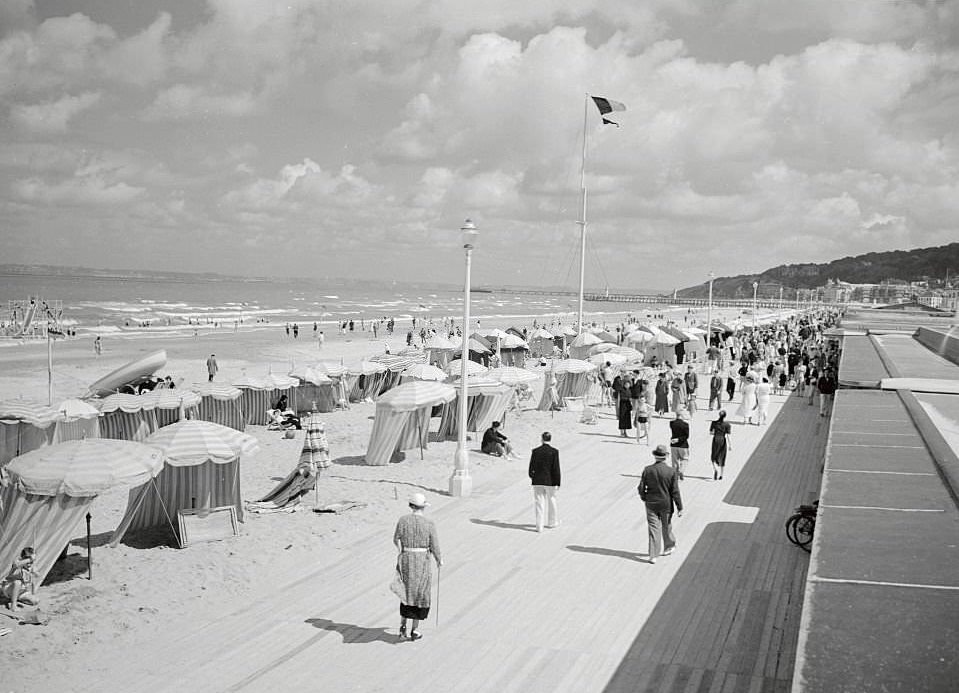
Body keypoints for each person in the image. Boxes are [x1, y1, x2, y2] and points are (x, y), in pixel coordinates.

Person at [392, 493, 442, 641]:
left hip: (407, 559)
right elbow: (435, 545)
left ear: (411, 506)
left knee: (406, 592)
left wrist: (402, 551)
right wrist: (439, 559)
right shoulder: (429, 523)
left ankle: (402, 626)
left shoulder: (403, 520)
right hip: (422, 561)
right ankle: (414, 630)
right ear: (423, 507)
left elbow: (396, 539)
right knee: (420, 593)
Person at [637, 445, 683, 564]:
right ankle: (669, 546)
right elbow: (675, 491)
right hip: (666, 504)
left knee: (653, 529)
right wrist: (679, 507)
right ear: (666, 456)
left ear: (655, 456)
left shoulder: (647, 470)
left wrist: (644, 498)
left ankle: (653, 555)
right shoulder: (671, 471)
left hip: (651, 503)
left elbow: (641, 487)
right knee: (666, 525)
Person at [528, 431, 561, 532]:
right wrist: (558, 481)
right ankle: (552, 522)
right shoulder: (554, 451)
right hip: (550, 481)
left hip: (537, 480)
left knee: (539, 503)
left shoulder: (535, 451)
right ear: (550, 439)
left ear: (541, 439)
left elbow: (531, 467)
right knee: (552, 501)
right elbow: (556, 468)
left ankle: (539, 526)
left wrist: (532, 476)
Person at [709, 410, 732, 480]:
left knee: (713, 455)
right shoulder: (727, 424)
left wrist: (715, 433)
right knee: (722, 456)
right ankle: (721, 475)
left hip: (715, 439)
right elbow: (728, 435)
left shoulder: (714, 423)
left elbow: (711, 432)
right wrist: (730, 445)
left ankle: (715, 469)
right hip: (722, 440)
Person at [669, 409, 690, 480]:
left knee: (674, 460)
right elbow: (686, 436)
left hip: (673, 445)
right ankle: (681, 470)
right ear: (682, 415)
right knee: (685, 459)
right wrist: (679, 439)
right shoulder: (685, 425)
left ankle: (675, 475)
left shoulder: (671, 423)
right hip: (683, 445)